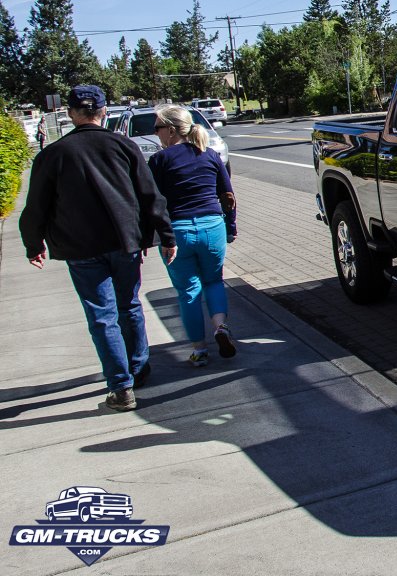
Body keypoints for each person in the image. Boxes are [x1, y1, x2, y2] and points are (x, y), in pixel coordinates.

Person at [19, 85, 176, 413]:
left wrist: (34, 244)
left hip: (81, 249)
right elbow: (150, 196)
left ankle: (121, 386)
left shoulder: (53, 155)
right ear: (104, 112)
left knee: (102, 316)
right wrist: (164, 236)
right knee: (129, 306)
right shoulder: (123, 146)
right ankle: (138, 367)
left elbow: (36, 207)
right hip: (125, 242)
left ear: (71, 113)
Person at [147, 104, 238, 367]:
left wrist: (153, 236)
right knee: (213, 281)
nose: (156, 134)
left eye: (157, 128)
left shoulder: (159, 161)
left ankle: (199, 350)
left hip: (178, 232)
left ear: (172, 130)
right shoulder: (209, 155)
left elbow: (153, 203)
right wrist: (230, 228)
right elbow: (228, 196)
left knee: (188, 291)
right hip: (212, 228)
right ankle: (220, 327)